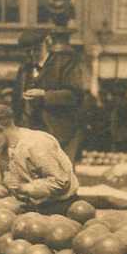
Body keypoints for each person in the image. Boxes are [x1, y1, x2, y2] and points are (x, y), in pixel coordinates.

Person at [0, 104, 79, 215]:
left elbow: (60, 182)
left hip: (58, 206)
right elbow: (9, 184)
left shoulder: (36, 143)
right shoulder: (3, 152)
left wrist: (25, 188)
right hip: (29, 207)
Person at [25, 31, 86, 162]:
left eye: (36, 50)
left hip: (62, 130)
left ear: (47, 44)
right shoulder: (25, 69)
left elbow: (74, 95)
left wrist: (44, 95)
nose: (32, 55)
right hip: (33, 131)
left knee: (61, 172)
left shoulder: (66, 64)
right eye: (28, 51)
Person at [12, 30, 45, 129]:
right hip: (24, 123)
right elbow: (16, 98)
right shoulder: (23, 69)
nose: (30, 55)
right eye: (27, 52)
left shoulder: (52, 67)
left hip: (44, 124)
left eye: (35, 50)